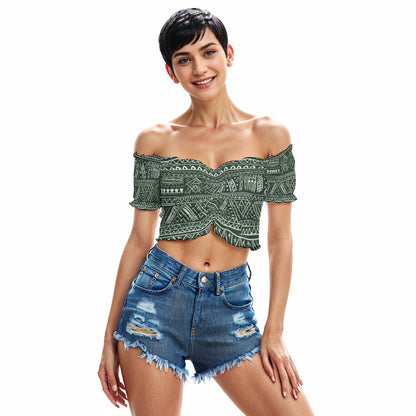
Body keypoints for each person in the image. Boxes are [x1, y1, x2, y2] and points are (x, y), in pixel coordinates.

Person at [98, 8, 314, 416]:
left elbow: (280, 238)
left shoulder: (270, 135)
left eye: (208, 52)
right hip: (155, 304)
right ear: (171, 72)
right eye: (184, 59)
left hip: (230, 307)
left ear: (229, 54)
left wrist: (274, 331)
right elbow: (140, 239)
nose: (199, 68)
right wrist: (108, 337)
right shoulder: (155, 140)